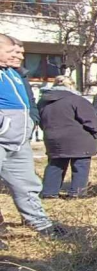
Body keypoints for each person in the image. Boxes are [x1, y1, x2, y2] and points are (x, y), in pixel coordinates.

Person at [0, 35, 64, 240]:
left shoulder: (16, 74)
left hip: (18, 141)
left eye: (20, 52)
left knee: (27, 183)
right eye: (14, 52)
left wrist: (32, 120)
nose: (19, 56)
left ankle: (41, 224)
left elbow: (28, 101)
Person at [38, 75, 97, 199]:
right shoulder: (77, 100)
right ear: (71, 85)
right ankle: (77, 193)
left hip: (53, 138)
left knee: (55, 164)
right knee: (80, 165)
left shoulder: (43, 101)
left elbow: (41, 120)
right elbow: (91, 120)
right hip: (79, 139)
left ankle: (49, 192)